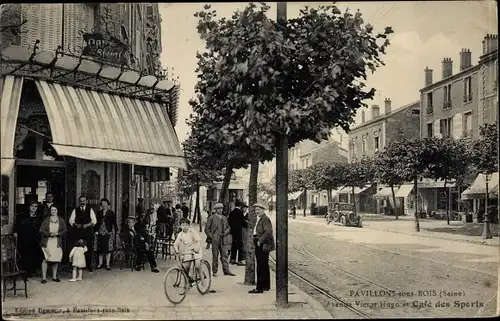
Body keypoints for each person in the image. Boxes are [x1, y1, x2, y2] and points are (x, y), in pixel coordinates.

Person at [174, 218, 206, 291]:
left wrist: (197, 247)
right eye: (182, 225)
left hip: (196, 250)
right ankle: (187, 285)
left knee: (197, 266)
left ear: (188, 225)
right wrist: (177, 250)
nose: (184, 227)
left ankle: (203, 284)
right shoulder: (180, 234)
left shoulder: (192, 231)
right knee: (185, 267)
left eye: (186, 225)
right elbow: (175, 244)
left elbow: (198, 241)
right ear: (180, 226)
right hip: (188, 251)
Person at [249, 203, 275, 294]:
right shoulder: (261, 219)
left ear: (263, 210)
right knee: (264, 265)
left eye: (259, 210)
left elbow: (268, 232)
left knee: (260, 265)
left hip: (262, 244)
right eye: (256, 210)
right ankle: (265, 286)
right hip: (261, 243)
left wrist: (260, 241)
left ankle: (259, 288)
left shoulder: (265, 219)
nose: (257, 212)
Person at [204, 203, 235, 277]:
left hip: (223, 239)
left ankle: (226, 270)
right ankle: (215, 271)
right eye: (219, 209)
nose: (221, 210)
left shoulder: (224, 218)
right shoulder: (211, 218)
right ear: (216, 210)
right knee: (215, 256)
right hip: (215, 239)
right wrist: (212, 236)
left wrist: (226, 232)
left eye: (221, 208)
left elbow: (228, 227)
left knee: (225, 255)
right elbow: (206, 229)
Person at [69, 196, 97, 272]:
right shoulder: (75, 210)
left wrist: (87, 225)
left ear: (86, 201)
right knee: (77, 249)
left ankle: (88, 266)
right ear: (79, 202)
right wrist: (76, 224)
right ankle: (76, 266)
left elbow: (94, 220)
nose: (82, 202)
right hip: (77, 232)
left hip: (88, 232)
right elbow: (71, 220)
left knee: (88, 249)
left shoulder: (90, 210)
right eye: (81, 201)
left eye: (84, 201)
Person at [39, 206, 67, 283]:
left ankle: (54, 276)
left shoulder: (61, 220)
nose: (53, 211)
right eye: (52, 210)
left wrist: (58, 234)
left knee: (56, 259)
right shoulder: (46, 219)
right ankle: (44, 278)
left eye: (55, 209)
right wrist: (49, 234)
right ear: (50, 211)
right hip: (47, 241)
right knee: (46, 258)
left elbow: (65, 230)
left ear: (57, 211)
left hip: (57, 242)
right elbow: (41, 230)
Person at [16, 201, 44, 277]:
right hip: (25, 239)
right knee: (25, 255)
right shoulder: (22, 217)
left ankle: (33, 270)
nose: (34, 208)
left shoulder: (39, 217)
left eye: (35, 206)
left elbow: (41, 228)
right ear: (29, 207)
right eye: (32, 206)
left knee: (34, 255)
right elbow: (17, 228)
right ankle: (26, 272)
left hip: (35, 239)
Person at [94, 198, 118, 270]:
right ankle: (100, 264)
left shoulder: (111, 213)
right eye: (102, 203)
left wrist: (116, 231)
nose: (104, 205)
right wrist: (95, 231)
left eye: (105, 203)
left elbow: (114, 223)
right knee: (100, 248)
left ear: (108, 204)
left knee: (108, 249)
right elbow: (96, 223)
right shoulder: (98, 213)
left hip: (108, 232)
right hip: (100, 232)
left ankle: (107, 264)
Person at [228, 199, 247, 266]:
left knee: (234, 245)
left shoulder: (231, 212)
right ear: (240, 206)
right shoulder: (240, 213)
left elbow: (229, 221)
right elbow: (242, 222)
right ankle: (240, 260)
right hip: (239, 231)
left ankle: (232, 259)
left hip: (233, 231)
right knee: (240, 245)